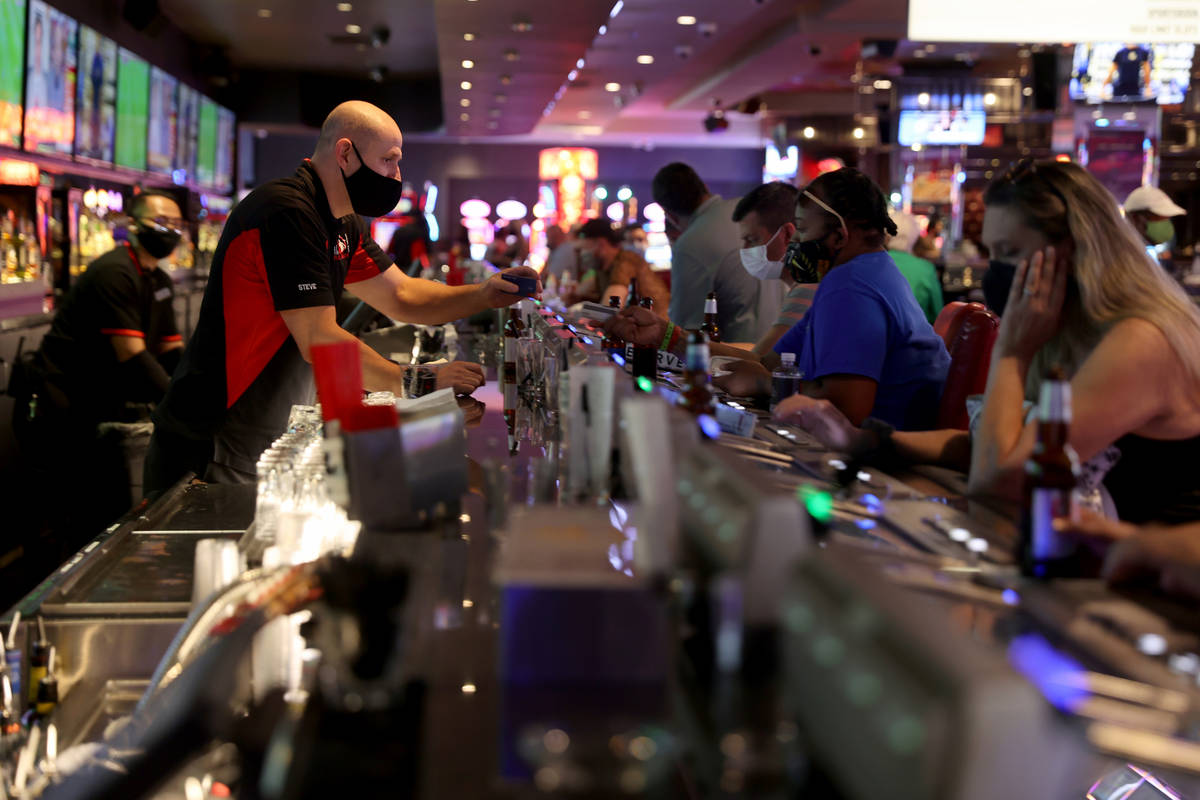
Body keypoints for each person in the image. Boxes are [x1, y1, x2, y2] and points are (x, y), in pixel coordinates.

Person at [146, 101, 538, 496]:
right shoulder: (285, 212)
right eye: (388, 160)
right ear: (345, 153)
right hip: (214, 437)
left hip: (262, 435)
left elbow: (401, 294)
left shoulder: (341, 219)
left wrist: (485, 293)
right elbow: (318, 337)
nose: (396, 174)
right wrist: (418, 381)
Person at [777, 159, 1200, 525]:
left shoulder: (1140, 339)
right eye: (992, 254)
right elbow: (988, 448)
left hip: (1158, 597)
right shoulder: (1066, 335)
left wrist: (1012, 351)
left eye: (1011, 253)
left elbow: (999, 480)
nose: (997, 272)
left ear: (1072, 251)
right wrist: (867, 441)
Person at [612, 169, 951, 431]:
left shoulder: (852, 284)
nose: (794, 243)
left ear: (839, 234)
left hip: (885, 464)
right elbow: (770, 361)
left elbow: (847, 409)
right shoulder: (859, 275)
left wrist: (762, 384)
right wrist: (666, 336)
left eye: (802, 230)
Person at [12, 190, 186, 543]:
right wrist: (180, 404)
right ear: (133, 226)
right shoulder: (114, 273)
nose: (170, 230)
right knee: (72, 518)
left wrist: (197, 388)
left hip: (100, 407)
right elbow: (133, 355)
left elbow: (171, 351)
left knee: (106, 511)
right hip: (61, 406)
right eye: (161, 222)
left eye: (177, 224)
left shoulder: (159, 281)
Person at [652, 162, 766, 341]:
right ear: (705, 187)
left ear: (670, 216)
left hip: (737, 359)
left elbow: (683, 330)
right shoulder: (747, 210)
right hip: (786, 349)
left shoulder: (690, 244)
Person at [731, 181, 818, 358]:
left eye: (752, 239)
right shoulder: (801, 286)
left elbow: (761, 360)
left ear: (787, 234)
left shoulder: (806, 289)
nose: (745, 249)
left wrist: (679, 340)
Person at [574, 218, 670, 310]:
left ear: (600, 244)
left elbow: (609, 310)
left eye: (584, 249)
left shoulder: (624, 262)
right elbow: (578, 293)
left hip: (660, 325)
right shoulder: (604, 268)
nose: (582, 255)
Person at [887, 210, 944, 324]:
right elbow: (939, 315)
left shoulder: (871, 263)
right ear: (914, 236)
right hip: (914, 336)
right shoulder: (926, 269)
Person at [1123, 185, 1184, 260]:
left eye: (1167, 218)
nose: (1165, 224)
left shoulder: (1140, 252)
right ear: (1135, 218)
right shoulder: (1117, 254)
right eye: (1158, 218)